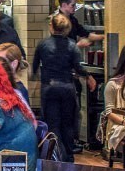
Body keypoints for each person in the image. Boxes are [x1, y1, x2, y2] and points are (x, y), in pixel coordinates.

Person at [32, 13, 94, 162]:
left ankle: (54, 156)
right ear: (67, 29)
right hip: (67, 88)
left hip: (49, 88)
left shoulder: (42, 45)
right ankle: (68, 156)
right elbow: (78, 67)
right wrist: (88, 76)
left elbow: (34, 68)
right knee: (68, 123)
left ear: (51, 27)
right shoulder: (72, 45)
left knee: (52, 124)